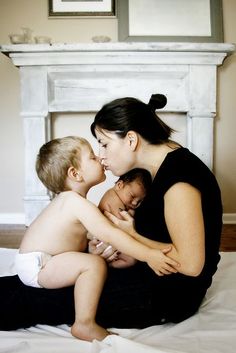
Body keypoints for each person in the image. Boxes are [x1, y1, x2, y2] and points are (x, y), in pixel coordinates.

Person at [0, 93, 222, 331]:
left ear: (131, 140)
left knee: (39, 299)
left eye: (104, 144)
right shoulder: (158, 166)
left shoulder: (179, 182)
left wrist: (132, 235)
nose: (102, 156)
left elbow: (191, 265)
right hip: (150, 272)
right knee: (33, 284)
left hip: (167, 294)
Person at [13, 135, 179, 341]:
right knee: (93, 265)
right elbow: (111, 234)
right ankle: (84, 323)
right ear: (75, 173)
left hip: (43, 260)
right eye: (92, 157)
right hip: (38, 265)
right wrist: (149, 255)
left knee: (94, 259)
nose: (100, 158)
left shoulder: (73, 202)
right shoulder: (75, 203)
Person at [96, 168, 152, 268]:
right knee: (132, 258)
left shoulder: (120, 198)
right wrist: (131, 213)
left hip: (110, 239)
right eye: (132, 196)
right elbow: (121, 222)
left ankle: (109, 265)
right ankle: (105, 265)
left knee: (131, 260)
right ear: (119, 185)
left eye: (139, 201)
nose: (135, 203)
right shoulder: (112, 196)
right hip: (101, 240)